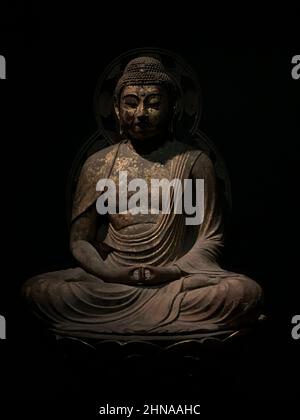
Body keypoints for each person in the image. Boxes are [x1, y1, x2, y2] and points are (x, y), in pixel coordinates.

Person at [22, 56, 263, 338]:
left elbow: (209, 238)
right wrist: (112, 274)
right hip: (111, 281)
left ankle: (140, 318)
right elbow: (80, 240)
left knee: (242, 293)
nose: (141, 113)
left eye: (154, 103)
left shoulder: (194, 163)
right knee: (38, 290)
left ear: (172, 108)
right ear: (115, 108)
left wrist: (171, 271)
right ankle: (156, 319)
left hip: (174, 281)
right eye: (131, 102)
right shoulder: (100, 165)